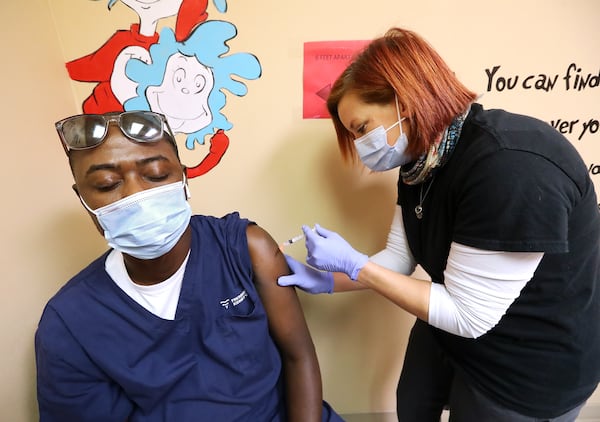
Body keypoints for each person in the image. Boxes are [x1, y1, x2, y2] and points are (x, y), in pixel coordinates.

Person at [278, 27, 600, 422]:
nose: (361, 147)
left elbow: (468, 316)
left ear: (405, 98)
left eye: (360, 128)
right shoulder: (420, 163)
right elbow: (399, 257)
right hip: (450, 329)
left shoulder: (510, 168)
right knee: (413, 403)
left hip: (527, 366)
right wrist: (327, 279)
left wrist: (354, 265)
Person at [35, 110, 342, 422]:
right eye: (106, 183)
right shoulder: (69, 323)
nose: (136, 195)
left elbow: (298, 357)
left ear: (182, 179)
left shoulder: (244, 248)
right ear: (83, 198)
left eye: (155, 174)